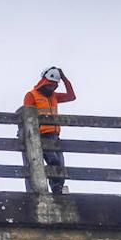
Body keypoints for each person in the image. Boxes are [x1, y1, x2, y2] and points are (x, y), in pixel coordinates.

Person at [23, 66, 76, 194]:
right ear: (44, 82)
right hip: (41, 135)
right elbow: (26, 116)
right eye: (50, 85)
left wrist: (64, 78)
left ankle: (57, 190)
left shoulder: (54, 96)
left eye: (54, 86)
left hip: (55, 136)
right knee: (53, 161)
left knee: (61, 166)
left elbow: (71, 96)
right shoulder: (31, 95)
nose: (52, 88)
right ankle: (53, 188)